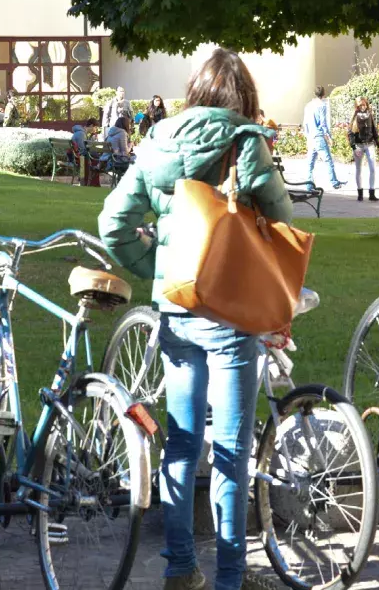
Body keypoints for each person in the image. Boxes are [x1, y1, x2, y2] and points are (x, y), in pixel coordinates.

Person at [98, 48, 292, 590]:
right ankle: (231, 579)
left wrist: (152, 270)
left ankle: (181, 569)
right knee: (231, 449)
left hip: (176, 312)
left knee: (182, 443)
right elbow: (282, 217)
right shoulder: (244, 143)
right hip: (230, 314)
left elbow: (114, 220)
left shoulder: (158, 140)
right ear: (244, 99)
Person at [302, 85, 345, 190]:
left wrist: (307, 135)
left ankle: (308, 185)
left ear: (315, 93)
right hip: (319, 136)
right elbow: (323, 123)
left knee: (310, 163)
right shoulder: (322, 105)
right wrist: (328, 137)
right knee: (328, 160)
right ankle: (334, 182)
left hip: (311, 137)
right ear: (324, 94)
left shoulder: (308, 106)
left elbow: (305, 123)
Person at [347, 96, 379, 202]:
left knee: (373, 169)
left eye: (364, 104)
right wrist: (354, 147)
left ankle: (372, 193)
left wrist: (378, 144)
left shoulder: (370, 115)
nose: (363, 106)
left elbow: (374, 130)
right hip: (359, 145)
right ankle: (360, 193)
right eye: (360, 105)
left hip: (370, 144)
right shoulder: (355, 117)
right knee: (358, 170)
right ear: (357, 106)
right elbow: (350, 133)